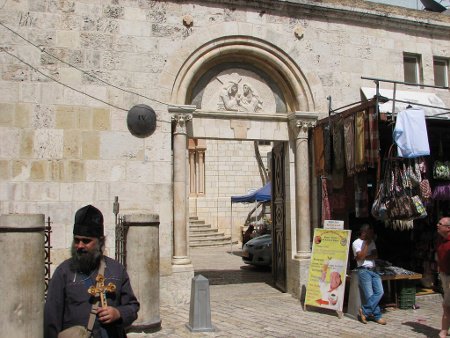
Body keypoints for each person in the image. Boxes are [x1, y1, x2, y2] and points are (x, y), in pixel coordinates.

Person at [44, 205, 140, 338]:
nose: (80, 246)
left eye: (86, 241)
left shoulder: (116, 270)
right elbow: (51, 318)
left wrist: (118, 313)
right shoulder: (64, 272)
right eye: (77, 240)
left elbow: (132, 306)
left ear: (100, 241)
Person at [352, 224, 386, 325]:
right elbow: (360, 258)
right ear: (364, 232)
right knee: (369, 294)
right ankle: (377, 316)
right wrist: (366, 244)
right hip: (363, 270)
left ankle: (364, 311)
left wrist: (365, 255)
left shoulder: (372, 242)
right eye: (370, 232)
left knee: (380, 291)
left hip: (373, 269)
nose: (372, 234)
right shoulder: (356, 243)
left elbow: (375, 255)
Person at [436, 217, 450, 338]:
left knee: (447, 305)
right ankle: (444, 331)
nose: (437, 225)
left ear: (448, 228)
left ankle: (443, 332)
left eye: (440, 224)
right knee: (446, 304)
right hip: (445, 275)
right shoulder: (441, 240)